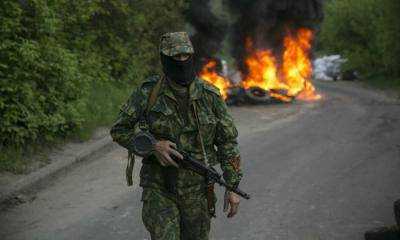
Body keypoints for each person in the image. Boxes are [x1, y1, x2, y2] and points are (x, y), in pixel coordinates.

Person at [110, 32, 243, 240]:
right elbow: (120, 130)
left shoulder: (210, 95)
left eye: (185, 56)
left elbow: (228, 143)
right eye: (175, 57)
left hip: (197, 191)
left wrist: (232, 186)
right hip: (159, 188)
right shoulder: (148, 92)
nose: (181, 61)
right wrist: (153, 146)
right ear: (164, 59)